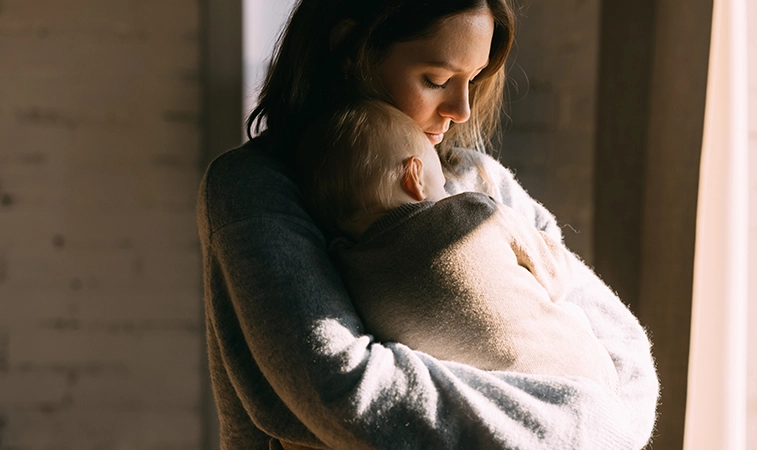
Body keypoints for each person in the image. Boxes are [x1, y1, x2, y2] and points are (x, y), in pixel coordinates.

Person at [195, 0, 659, 448]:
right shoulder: (255, 186)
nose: (462, 108)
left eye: (472, 79)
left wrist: (603, 427)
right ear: (349, 50)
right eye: (436, 79)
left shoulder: (480, 179)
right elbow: (340, 389)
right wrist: (582, 424)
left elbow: (617, 343)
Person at [295, 99, 618, 390]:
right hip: (582, 374)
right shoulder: (473, 212)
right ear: (415, 177)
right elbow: (557, 274)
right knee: (572, 311)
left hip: (487, 399)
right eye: (442, 179)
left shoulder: (345, 271)